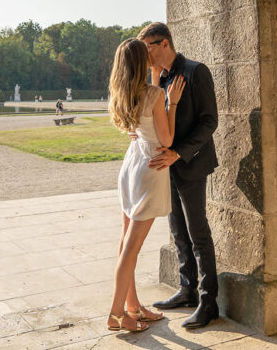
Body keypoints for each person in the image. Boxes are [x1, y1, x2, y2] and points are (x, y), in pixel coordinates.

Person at [138, 22, 220, 329]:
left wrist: (179, 152)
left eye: (147, 48)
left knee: (198, 233)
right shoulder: (159, 78)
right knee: (177, 231)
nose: (144, 55)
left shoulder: (196, 72)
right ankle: (187, 289)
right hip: (166, 167)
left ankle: (208, 302)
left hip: (192, 163)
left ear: (163, 44)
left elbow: (210, 121)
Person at [106, 38, 185, 333]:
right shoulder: (153, 94)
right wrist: (172, 102)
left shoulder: (120, 93)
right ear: (142, 62)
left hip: (130, 167)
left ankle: (133, 307)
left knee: (126, 242)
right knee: (132, 248)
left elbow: (139, 127)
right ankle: (116, 315)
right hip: (149, 169)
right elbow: (166, 140)